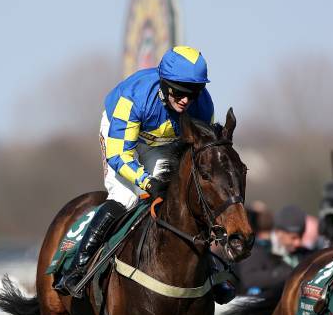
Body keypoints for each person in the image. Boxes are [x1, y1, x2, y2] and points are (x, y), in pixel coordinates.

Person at [55, 46, 214, 296]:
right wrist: (146, 182)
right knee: (126, 197)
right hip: (123, 137)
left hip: (161, 144)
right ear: (165, 83)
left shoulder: (202, 107)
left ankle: (210, 269)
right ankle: (78, 267)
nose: (187, 99)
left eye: (194, 92)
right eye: (182, 91)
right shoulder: (135, 97)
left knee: (182, 197)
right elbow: (119, 156)